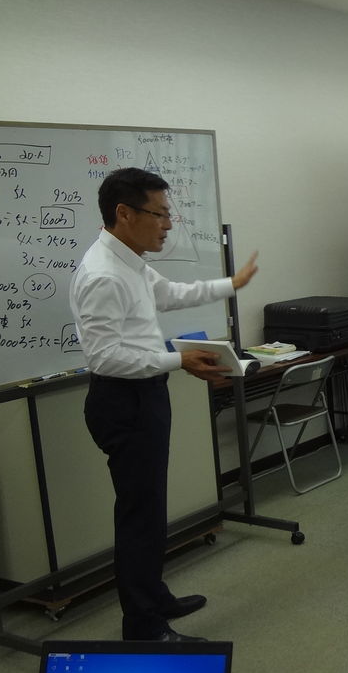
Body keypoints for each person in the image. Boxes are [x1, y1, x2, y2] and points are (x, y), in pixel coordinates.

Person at [70, 167, 258, 642]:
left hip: (144, 394)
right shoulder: (103, 275)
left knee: (150, 508)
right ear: (124, 213)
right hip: (123, 401)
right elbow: (105, 357)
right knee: (139, 516)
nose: (168, 225)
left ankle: (154, 596)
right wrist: (178, 359)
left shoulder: (130, 261)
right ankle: (143, 625)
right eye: (159, 214)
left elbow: (171, 294)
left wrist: (231, 283)